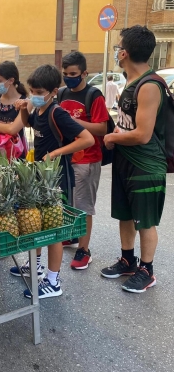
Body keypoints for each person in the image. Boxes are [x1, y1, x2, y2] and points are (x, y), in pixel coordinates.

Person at [0, 64, 94, 299]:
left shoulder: (57, 112)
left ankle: (53, 280)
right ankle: (35, 264)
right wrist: (24, 109)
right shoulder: (38, 111)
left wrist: (57, 153)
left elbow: (87, 139)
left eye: (39, 92)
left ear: (53, 92)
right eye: (32, 91)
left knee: (54, 231)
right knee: (37, 223)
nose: (34, 96)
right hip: (39, 175)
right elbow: (28, 125)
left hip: (55, 178)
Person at [101, 25, 167, 293]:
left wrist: (112, 138)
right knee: (125, 215)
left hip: (145, 165)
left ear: (124, 52)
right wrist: (118, 132)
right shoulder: (129, 81)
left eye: (118, 47)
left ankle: (147, 271)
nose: (117, 51)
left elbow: (142, 135)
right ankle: (128, 260)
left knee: (145, 221)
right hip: (126, 161)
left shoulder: (149, 85)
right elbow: (130, 125)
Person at [59, 51, 109, 270]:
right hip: (67, 158)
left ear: (84, 73)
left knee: (84, 206)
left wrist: (73, 122)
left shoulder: (93, 95)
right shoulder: (61, 94)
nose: (68, 77)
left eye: (73, 74)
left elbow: (102, 127)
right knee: (69, 202)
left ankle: (84, 250)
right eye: (65, 73)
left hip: (87, 159)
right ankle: (73, 235)